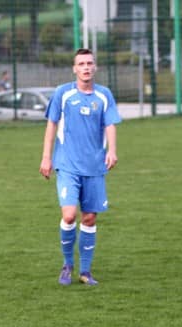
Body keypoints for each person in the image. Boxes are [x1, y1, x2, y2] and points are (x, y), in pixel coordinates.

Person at [39, 48, 121, 286]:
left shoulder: (104, 95)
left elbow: (110, 124)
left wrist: (112, 150)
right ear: (74, 69)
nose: (86, 67)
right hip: (67, 165)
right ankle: (67, 265)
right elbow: (51, 125)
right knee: (69, 215)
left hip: (94, 166)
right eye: (81, 64)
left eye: (89, 63)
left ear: (95, 67)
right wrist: (46, 157)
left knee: (90, 218)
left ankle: (85, 271)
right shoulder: (63, 93)